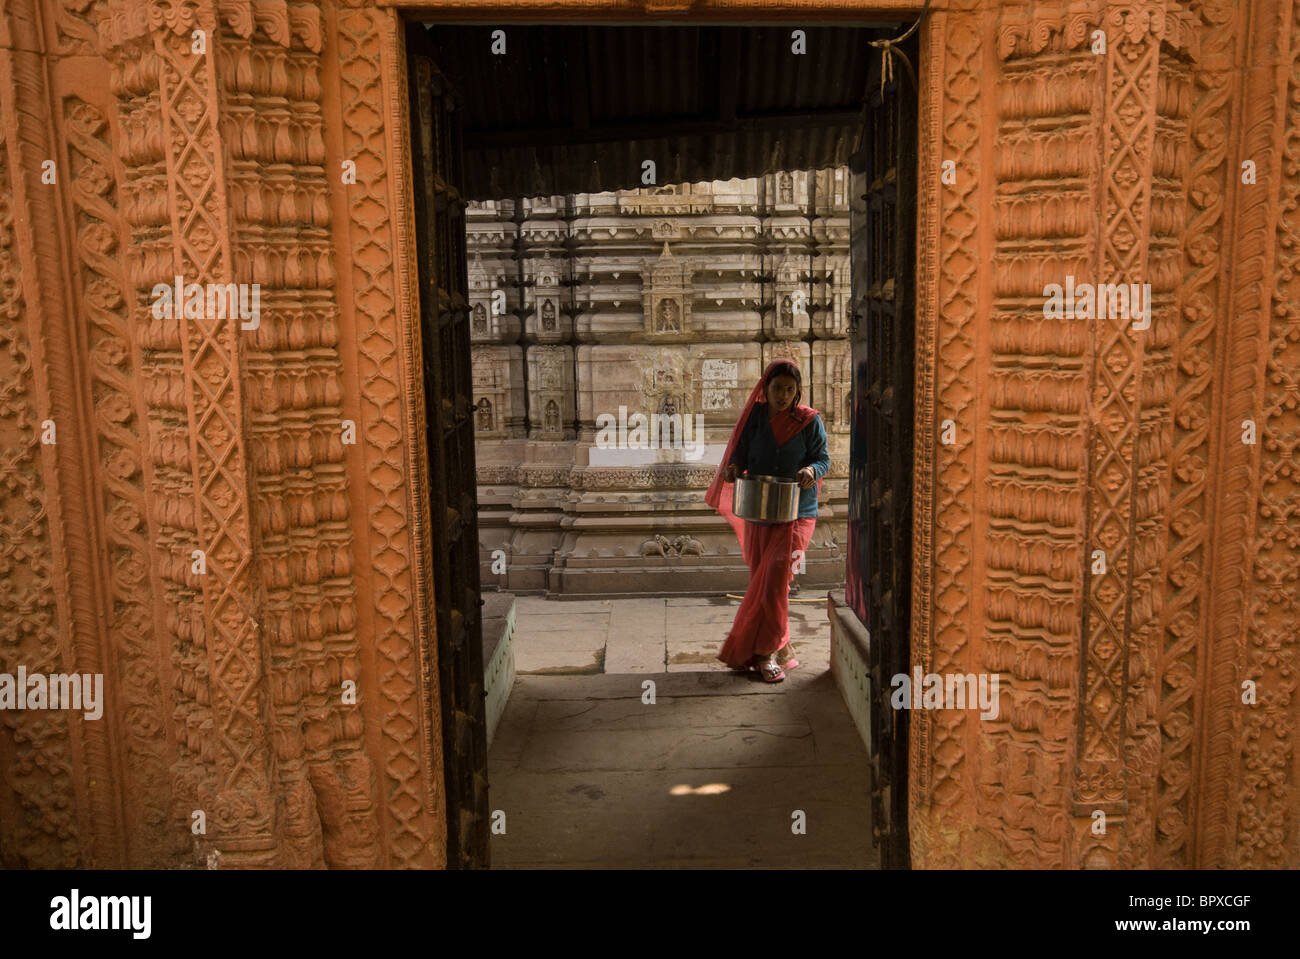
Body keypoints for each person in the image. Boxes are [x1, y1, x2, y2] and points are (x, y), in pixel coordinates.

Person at [705, 360, 830, 682]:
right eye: (778, 388)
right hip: (761, 509)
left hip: (798, 512)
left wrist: (811, 471)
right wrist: (734, 468)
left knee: (775, 579)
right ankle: (780, 643)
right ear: (766, 389)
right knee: (764, 582)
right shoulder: (756, 418)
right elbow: (741, 453)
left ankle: (766, 652)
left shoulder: (808, 421)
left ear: (798, 391)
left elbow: (823, 459)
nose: (783, 395)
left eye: (790, 389)